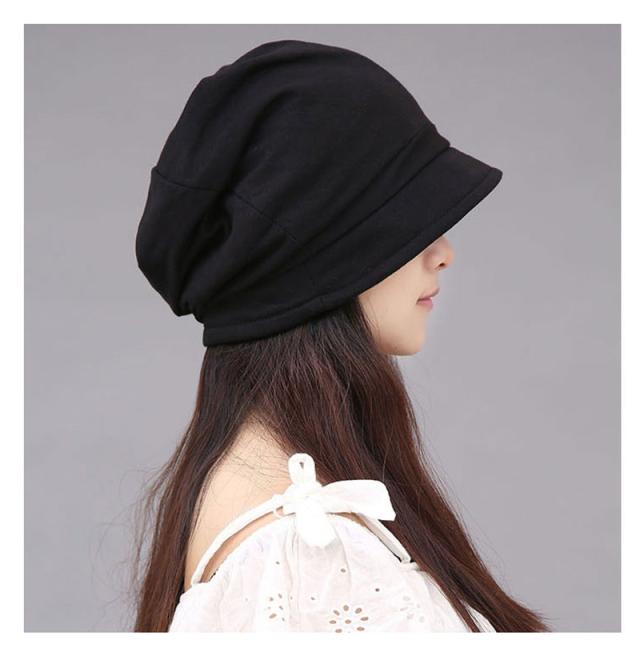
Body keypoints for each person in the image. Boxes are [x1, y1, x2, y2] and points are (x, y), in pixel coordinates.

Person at [131, 38, 550, 632]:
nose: (443, 253)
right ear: (321, 259)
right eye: (407, 224)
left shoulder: (262, 496)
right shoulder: (311, 553)